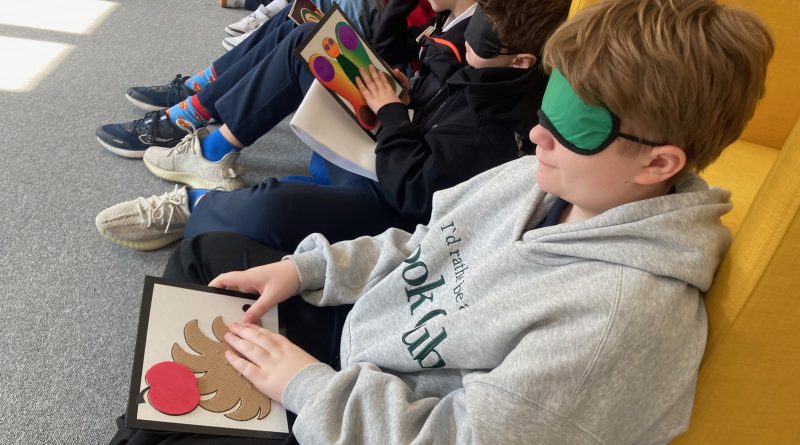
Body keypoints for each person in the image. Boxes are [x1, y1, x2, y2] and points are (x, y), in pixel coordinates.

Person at [111, 0, 774, 443]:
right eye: (548, 105)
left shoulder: (620, 323)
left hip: (382, 414)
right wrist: (307, 269)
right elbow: (428, 243)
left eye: (576, 127)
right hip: (370, 346)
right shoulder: (538, 177)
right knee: (212, 260)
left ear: (659, 162)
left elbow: (460, 435)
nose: (537, 134)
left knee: (186, 418)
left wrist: (304, 385)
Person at [95, 0, 567, 254]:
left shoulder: (496, 124)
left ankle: (197, 203)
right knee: (311, 41)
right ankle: (212, 149)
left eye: (480, 41)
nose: (469, 43)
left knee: (273, 205)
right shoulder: (484, 69)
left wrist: (392, 115)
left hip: (391, 199)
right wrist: (405, 95)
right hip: (386, 146)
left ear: (521, 61)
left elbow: (416, 194)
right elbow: (437, 101)